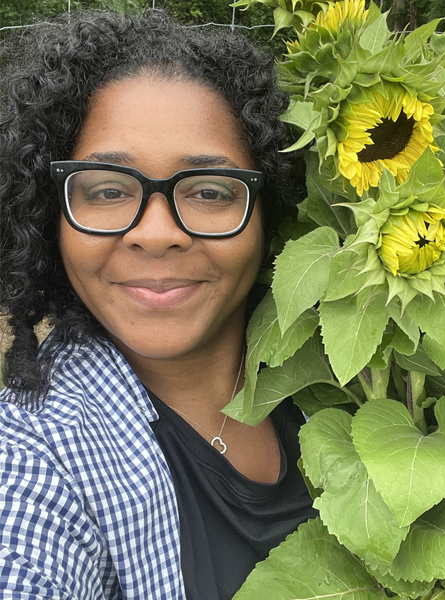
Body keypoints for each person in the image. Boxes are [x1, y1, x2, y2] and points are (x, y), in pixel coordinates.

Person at [0, 9, 315, 599]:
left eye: (210, 191)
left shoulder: (364, 362)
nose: (156, 232)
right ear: (52, 216)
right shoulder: (36, 456)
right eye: (109, 190)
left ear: (269, 210)